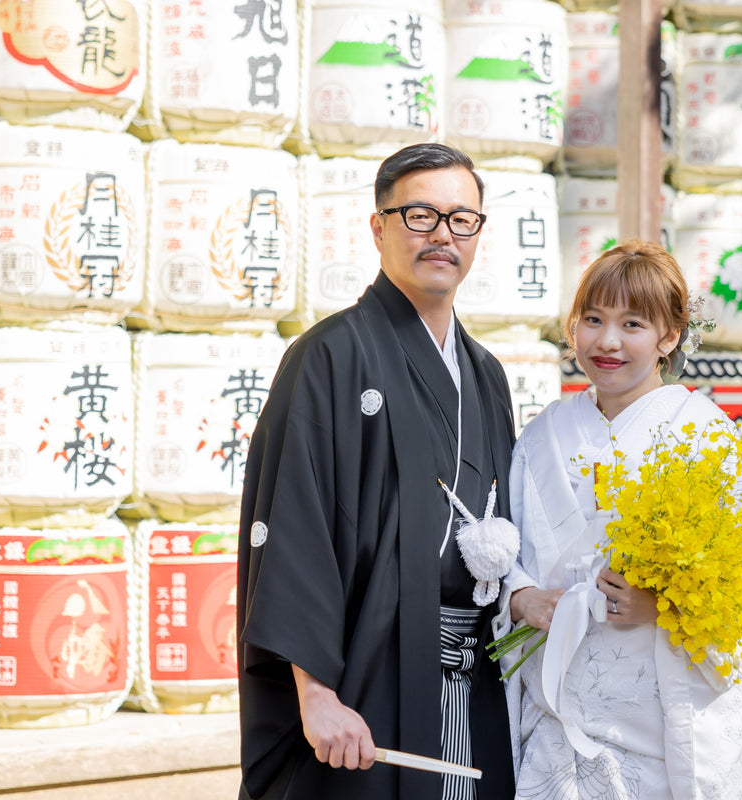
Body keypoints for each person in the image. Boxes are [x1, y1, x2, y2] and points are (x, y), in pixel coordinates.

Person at [236, 142, 518, 800]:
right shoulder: (331, 356)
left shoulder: (486, 375)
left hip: (473, 674)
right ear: (379, 226)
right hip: (370, 671)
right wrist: (317, 696)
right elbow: (297, 528)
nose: (442, 234)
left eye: (461, 219)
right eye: (420, 215)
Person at [497, 240, 742, 799]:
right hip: (558, 718)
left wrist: (666, 608)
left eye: (632, 323)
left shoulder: (704, 435)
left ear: (669, 337)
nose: (607, 342)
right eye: (592, 319)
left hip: (665, 727)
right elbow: (506, 552)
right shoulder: (543, 435)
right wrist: (518, 597)